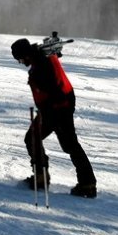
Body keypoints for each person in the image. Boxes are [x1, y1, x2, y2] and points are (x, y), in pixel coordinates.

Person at [10, 37, 97, 198]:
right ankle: (42, 177)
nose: (21, 62)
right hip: (58, 106)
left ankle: (87, 184)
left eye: (20, 59)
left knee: (67, 144)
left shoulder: (40, 65)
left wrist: (50, 112)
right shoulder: (42, 54)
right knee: (35, 138)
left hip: (58, 108)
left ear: (25, 55)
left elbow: (54, 89)